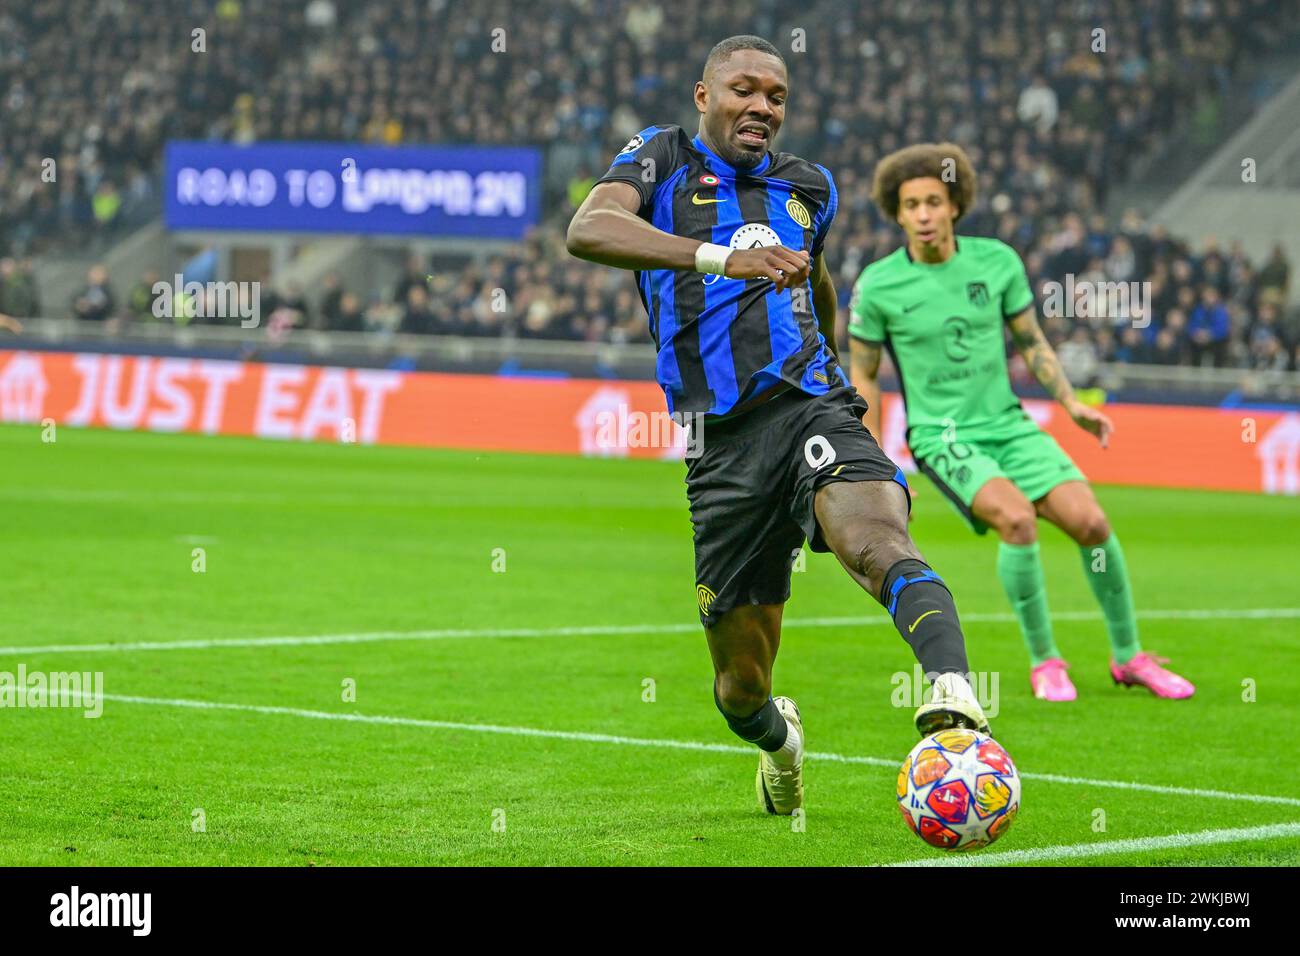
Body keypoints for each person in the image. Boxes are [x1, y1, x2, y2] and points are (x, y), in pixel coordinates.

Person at [567, 36, 990, 817]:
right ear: (704, 97)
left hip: (810, 408)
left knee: (877, 541)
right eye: (743, 90)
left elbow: (818, 282)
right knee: (739, 690)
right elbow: (589, 230)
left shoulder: (808, 188)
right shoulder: (659, 160)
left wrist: (835, 371)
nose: (761, 106)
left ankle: (954, 696)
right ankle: (781, 743)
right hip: (717, 447)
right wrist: (724, 258)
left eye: (776, 96)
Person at [848, 142, 1194, 703]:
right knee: (1017, 521)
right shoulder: (879, 285)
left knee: (1092, 524)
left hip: (1008, 424)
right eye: (911, 205)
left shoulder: (997, 261)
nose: (924, 215)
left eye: (934, 201)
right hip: (944, 435)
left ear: (955, 204)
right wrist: (870, 454)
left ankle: (1130, 657)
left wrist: (1072, 402)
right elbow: (864, 374)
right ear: (898, 212)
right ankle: (1045, 661)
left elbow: (1033, 343)